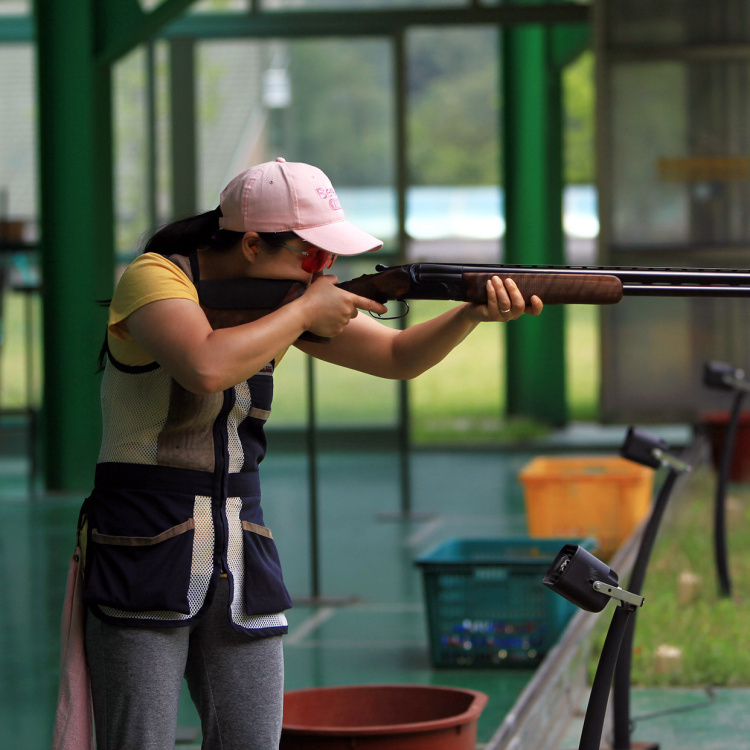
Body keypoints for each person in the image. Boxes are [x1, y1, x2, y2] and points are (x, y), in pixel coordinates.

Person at [75, 157, 543, 750]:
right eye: (313, 255)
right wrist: (301, 311)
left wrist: (470, 313)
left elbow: (397, 357)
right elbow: (204, 366)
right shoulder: (153, 278)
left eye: (330, 258)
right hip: (140, 546)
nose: (325, 271)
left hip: (241, 548)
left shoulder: (281, 301)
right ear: (250, 244)